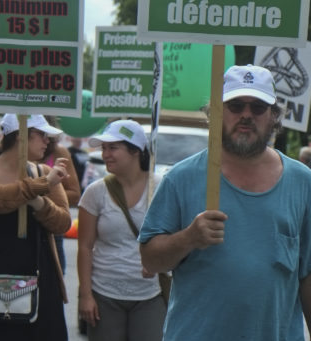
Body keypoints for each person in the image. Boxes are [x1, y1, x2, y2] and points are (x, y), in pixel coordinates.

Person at [139, 64, 311, 341]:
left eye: (257, 107)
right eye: (235, 105)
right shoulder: (181, 178)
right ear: (216, 113)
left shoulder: (303, 182)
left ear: (273, 117)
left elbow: (307, 276)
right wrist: (188, 238)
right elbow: (150, 259)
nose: (246, 114)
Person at [0, 114, 72, 341]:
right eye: (41, 134)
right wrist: (39, 188)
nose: (47, 140)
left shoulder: (44, 173)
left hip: (43, 281)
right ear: (20, 134)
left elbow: (63, 222)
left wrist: (38, 201)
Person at [77, 119, 165, 341]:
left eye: (113, 148)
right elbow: (85, 247)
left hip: (149, 295)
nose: (106, 154)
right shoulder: (95, 192)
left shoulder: (161, 187)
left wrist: (161, 261)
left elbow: (173, 236)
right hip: (104, 294)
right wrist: (85, 295)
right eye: (104, 148)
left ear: (136, 151)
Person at [37, 116, 81, 275]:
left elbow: (75, 194)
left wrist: (41, 198)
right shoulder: (12, 154)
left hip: (51, 229)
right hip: (16, 230)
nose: (44, 140)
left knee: (52, 286)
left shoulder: (58, 152)